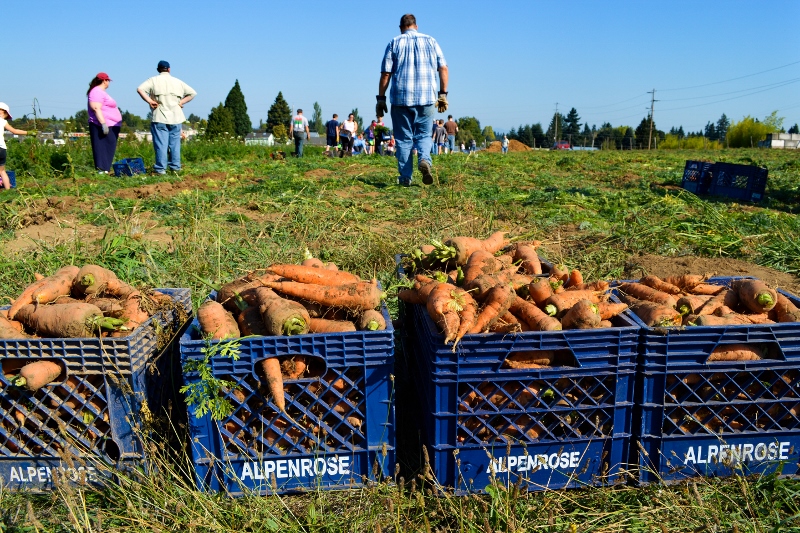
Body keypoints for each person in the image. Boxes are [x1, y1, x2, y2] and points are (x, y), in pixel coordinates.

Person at [376, 13, 448, 186]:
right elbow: (443, 68)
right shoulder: (431, 41)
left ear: (401, 27)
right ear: (416, 25)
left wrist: (381, 98)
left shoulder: (394, 42)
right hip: (427, 99)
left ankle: (405, 178)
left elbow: (386, 73)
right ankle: (424, 160)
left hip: (401, 99)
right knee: (423, 134)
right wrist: (443, 94)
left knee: (403, 139)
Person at [137, 60, 196, 175]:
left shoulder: (153, 80)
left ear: (158, 70)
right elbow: (192, 93)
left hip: (159, 116)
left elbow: (140, 89)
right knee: (174, 144)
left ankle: (160, 169)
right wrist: (181, 102)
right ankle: (175, 168)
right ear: (169, 69)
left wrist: (149, 100)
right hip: (175, 117)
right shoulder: (178, 82)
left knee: (161, 144)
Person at [87, 72, 122, 174]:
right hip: (101, 124)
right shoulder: (96, 92)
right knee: (101, 146)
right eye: (108, 81)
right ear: (104, 81)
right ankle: (101, 169)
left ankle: (105, 169)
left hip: (111, 124)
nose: (108, 83)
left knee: (109, 145)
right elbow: (96, 108)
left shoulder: (101, 92)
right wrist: (103, 123)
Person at [0, 103, 31, 190]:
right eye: (4, 115)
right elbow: (14, 131)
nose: (4, 117)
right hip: (2, 149)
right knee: (2, 171)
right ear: (1, 111)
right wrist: (29, 132)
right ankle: (8, 191)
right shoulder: (3, 121)